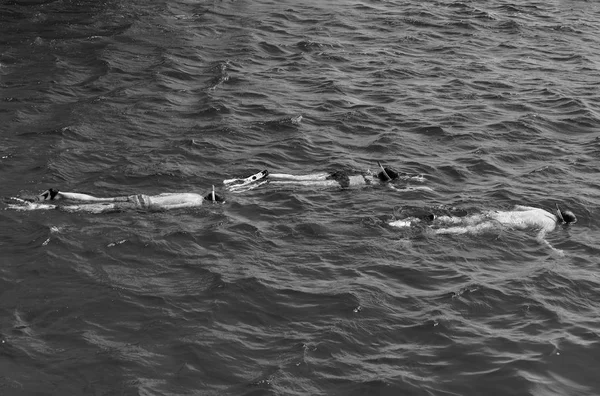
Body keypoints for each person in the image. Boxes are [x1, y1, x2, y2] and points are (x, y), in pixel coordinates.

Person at [389, 204, 577, 256]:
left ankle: (421, 220)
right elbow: (539, 239)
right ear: (563, 223)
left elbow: (517, 206)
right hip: (500, 225)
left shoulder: (541, 211)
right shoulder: (551, 225)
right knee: (464, 230)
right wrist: (553, 250)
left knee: (459, 219)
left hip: (496, 214)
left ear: (557, 212)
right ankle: (424, 235)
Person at [224, 162, 429, 193]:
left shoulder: (369, 173)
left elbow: (396, 179)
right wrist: (417, 185)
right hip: (340, 182)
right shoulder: (377, 184)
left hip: (337, 174)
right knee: (302, 186)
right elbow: (396, 186)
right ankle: (268, 181)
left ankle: (271, 174)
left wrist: (414, 179)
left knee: (300, 178)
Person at [6, 186, 223, 213]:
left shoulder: (193, 193)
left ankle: (57, 193)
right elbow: (168, 207)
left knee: (95, 199)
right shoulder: (196, 203)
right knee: (96, 209)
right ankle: (42, 207)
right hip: (145, 205)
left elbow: (165, 194)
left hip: (142, 195)